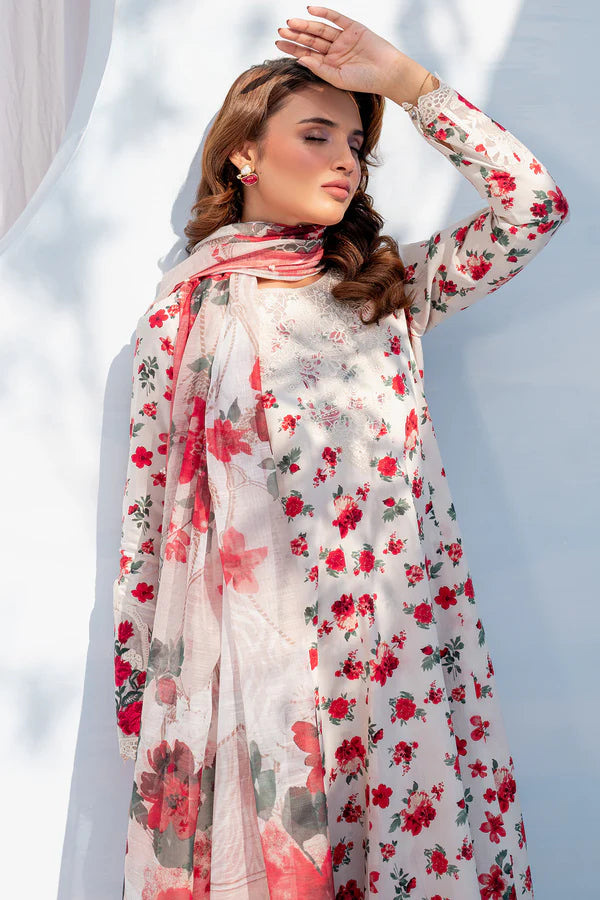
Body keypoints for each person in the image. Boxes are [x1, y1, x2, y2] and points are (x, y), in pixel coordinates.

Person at [112, 6, 569, 898]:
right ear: (243, 155)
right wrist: (144, 695)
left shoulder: (383, 290)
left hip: (393, 653)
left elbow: (532, 208)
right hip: (262, 664)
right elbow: (152, 510)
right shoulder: (187, 314)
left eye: (355, 144)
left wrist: (408, 84)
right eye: (315, 135)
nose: (344, 161)